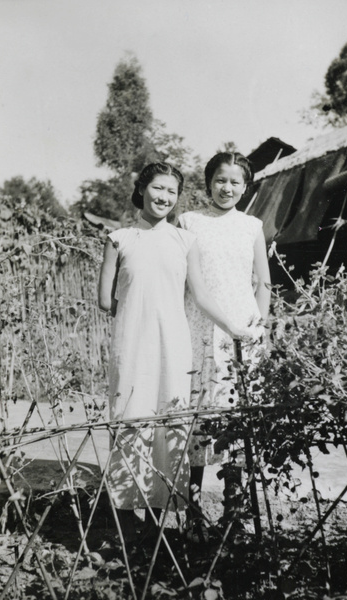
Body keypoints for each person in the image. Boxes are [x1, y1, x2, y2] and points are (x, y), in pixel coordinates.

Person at [98, 162, 246, 546]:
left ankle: (162, 517)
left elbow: (199, 294)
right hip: (131, 343)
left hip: (173, 344)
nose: (164, 197)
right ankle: (128, 518)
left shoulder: (185, 241)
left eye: (172, 192)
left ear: (178, 198)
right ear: (141, 189)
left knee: (170, 419)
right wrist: (138, 314)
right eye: (157, 188)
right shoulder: (118, 239)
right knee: (132, 417)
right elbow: (104, 299)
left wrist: (234, 327)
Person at [178, 151, 271, 541]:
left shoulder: (252, 225)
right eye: (220, 179)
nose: (226, 188)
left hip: (244, 333)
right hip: (202, 326)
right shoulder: (190, 222)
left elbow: (263, 282)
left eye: (235, 181)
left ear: (246, 186)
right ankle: (194, 514)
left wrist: (260, 321)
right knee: (200, 415)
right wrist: (223, 322)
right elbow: (191, 283)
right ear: (208, 182)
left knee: (237, 417)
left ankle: (234, 512)